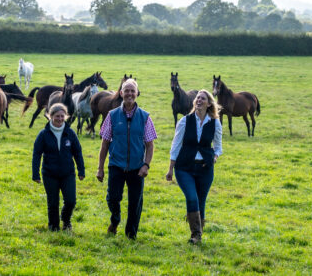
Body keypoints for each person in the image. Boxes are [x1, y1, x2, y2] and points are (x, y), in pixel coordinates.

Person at [96, 79, 156, 239]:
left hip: (137, 168)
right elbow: (105, 144)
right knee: (113, 198)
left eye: (132, 91)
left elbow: (150, 145)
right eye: (126, 90)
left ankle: (131, 234)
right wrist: (100, 168)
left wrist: (146, 165)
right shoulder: (112, 115)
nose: (129, 93)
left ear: (137, 93)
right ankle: (115, 220)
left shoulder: (145, 117)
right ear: (121, 93)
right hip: (116, 165)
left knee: (135, 203)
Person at [166, 89, 222, 244]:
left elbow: (218, 147)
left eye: (202, 98)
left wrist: (214, 158)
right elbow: (175, 146)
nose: (199, 100)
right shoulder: (184, 121)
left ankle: (198, 234)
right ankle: (195, 234)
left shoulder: (215, 123)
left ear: (209, 103)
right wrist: (170, 168)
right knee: (192, 198)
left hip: (205, 168)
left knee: (201, 201)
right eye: (197, 98)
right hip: (185, 167)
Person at [32, 103, 85, 231]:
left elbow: (77, 152)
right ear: (50, 116)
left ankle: (66, 220)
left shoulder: (70, 133)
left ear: (65, 117)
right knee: (53, 202)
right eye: (57, 116)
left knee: (71, 201)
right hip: (50, 174)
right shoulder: (43, 134)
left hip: (68, 174)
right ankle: (53, 227)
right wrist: (36, 174)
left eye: (62, 116)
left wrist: (81, 170)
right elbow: (37, 154)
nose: (60, 119)